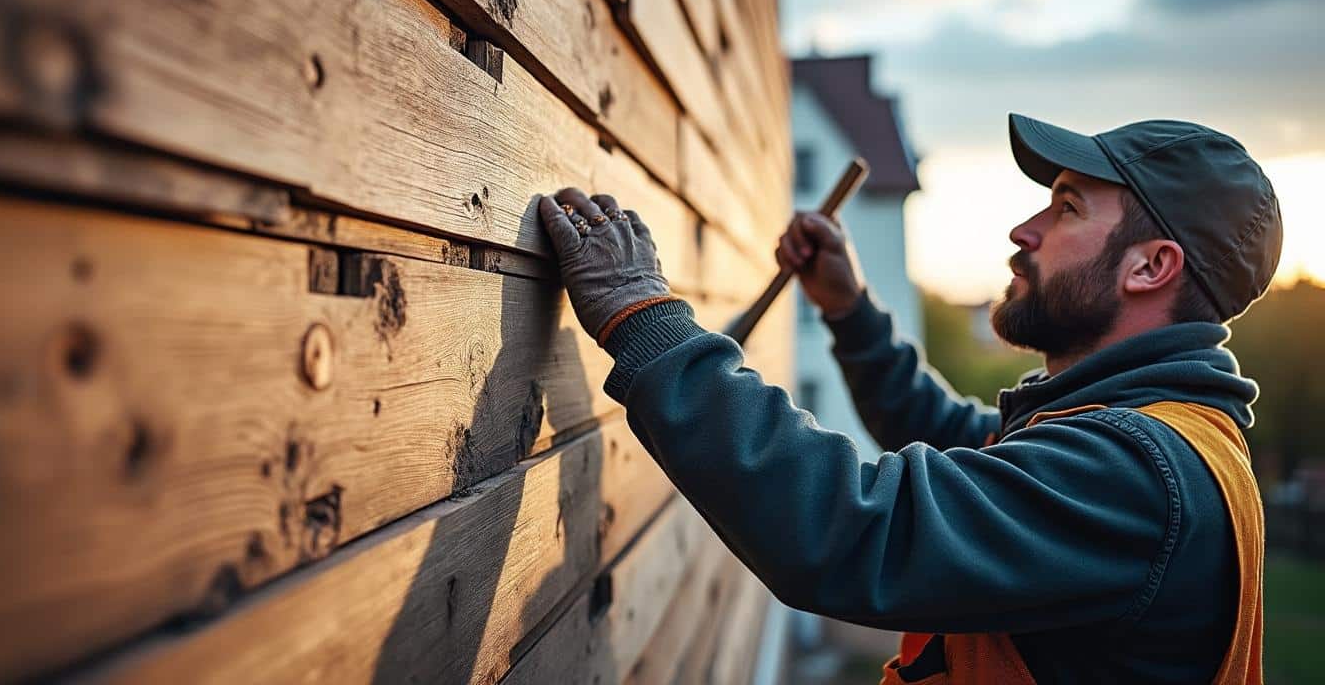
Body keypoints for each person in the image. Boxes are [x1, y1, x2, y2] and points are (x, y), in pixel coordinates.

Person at [537, 114, 1282, 684]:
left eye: (1067, 209)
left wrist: (645, 319)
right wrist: (848, 308)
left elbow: (854, 529)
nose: (1023, 231)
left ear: (1151, 266)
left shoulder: (1137, 476)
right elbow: (956, 440)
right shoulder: (1145, 435)